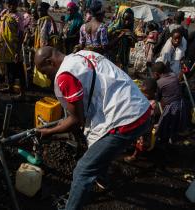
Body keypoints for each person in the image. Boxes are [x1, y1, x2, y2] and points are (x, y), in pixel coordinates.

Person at [35, 46, 151, 210]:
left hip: (125, 120)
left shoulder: (65, 76)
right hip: (141, 109)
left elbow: (76, 120)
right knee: (98, 148)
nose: (47, 77)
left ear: (50, 62)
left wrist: (49, 132)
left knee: (82, 172)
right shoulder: (83, 54)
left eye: (46, 72)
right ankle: (102, 178)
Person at [0, 0, 26, 96]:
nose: (11, 6)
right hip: (3, 47)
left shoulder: (19, 17)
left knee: (19, 69)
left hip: (14, 48)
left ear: (17, 5)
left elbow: (21, 34)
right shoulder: (3, 13)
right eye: (9, 4)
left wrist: (17, 50)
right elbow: (0, 26)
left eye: (14, 4)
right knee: (8, 68)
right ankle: (9, 87)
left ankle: (22, 93)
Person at [152, 62, 187, 143]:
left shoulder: (159, 82)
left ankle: (166, 141)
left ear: (156, 74)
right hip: (181, 103)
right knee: (175, 124)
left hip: (171, 107)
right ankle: (172, 136)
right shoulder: (173, 75)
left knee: (167, 124)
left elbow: (157, 97)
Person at [124, 78, 157, 162]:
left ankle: (135, 156)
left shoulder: (153, 103)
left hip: (146, 126)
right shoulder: (145, 98)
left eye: (146, 93)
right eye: (143, 92)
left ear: (153, 92)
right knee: (136, 138)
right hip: (140, 124)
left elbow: (148, 114)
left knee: (141, 141)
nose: (144, 95)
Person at [108, 7, 136, 73]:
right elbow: (107, 39)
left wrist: (132, 39)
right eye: (125, 19)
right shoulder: (113, 28)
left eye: (130, 20)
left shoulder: (130, 30)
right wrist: (119, 35)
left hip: (124, 60)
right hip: (113, 58)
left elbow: (132, 45)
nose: (127, 22)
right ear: (121, 18)